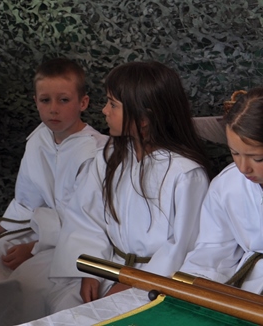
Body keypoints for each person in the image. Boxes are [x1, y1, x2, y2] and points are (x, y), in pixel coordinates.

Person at [46, 61, 211, 313]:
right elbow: (86, 217)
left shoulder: (185, 175)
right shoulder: (110, 156)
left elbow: (182, 246)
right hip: (106, 269)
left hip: (157, 283)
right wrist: (91, 271)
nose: (104, 110)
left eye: (113, 104)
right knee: (61, 309)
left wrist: (135, 283)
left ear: (143, 119)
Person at [0, 59, 106, 326]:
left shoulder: (95, 151)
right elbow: (28, 196)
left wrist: (33, 248)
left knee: (29, 281)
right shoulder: (39, 138)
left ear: (83, 103)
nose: (53, 109)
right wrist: (7, 226)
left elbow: (88, 219)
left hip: (75, 243)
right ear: (35, 101)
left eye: (64, 100)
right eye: (45, 100)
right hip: (40, 230)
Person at [180, 88, 263, 292]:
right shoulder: (228, 185)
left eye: (257, 158)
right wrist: (195, 286)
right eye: (235, 153)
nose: (243, 168)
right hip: (249, 292)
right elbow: (214, 248)